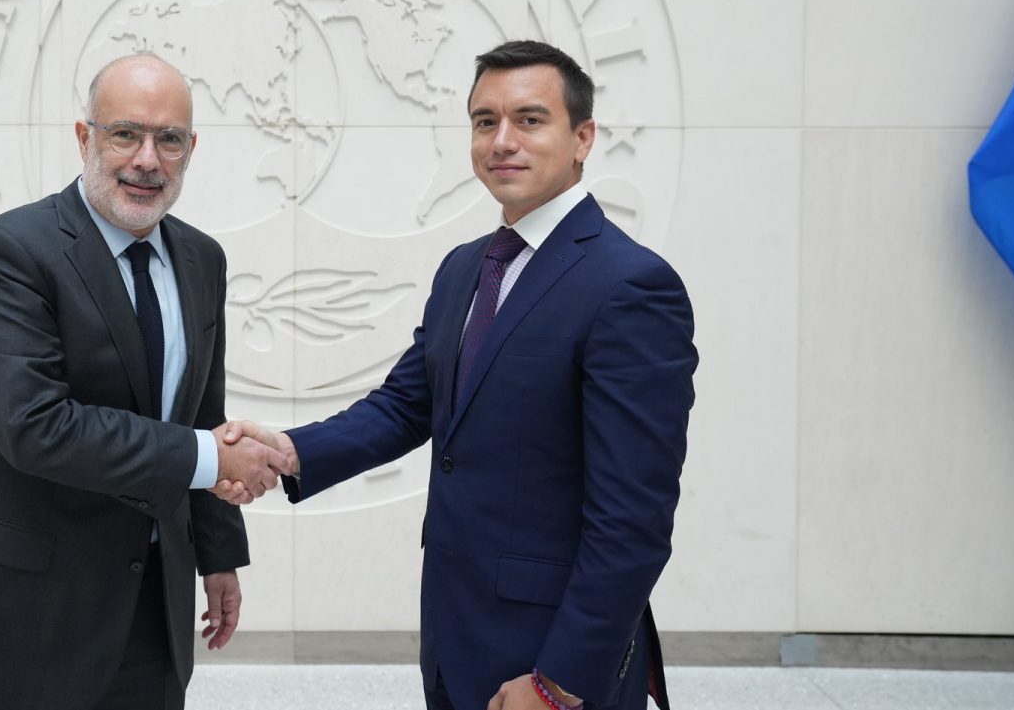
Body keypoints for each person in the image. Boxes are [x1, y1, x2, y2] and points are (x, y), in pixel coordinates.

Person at [220, 40, 698, 710]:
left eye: (530, 119)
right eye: (484, 121)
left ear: (583, 137)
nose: (502, 140)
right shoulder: (465, 268)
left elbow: (634, 517)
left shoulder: (631, 285)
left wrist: (559, 682)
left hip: (553, 659)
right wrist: (289, 450)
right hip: (456, 637)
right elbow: (404, 406)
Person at [0, 53, 288, 710]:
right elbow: (36, 427)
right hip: (22, 624)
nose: (147, 160)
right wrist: (212, 459)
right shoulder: (12, 251)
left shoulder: (202, 259)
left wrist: (217, 556)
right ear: (83, 137)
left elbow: (201, 414)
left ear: (191, 149)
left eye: (168, 139)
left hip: (151, 617)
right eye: (125, 133)